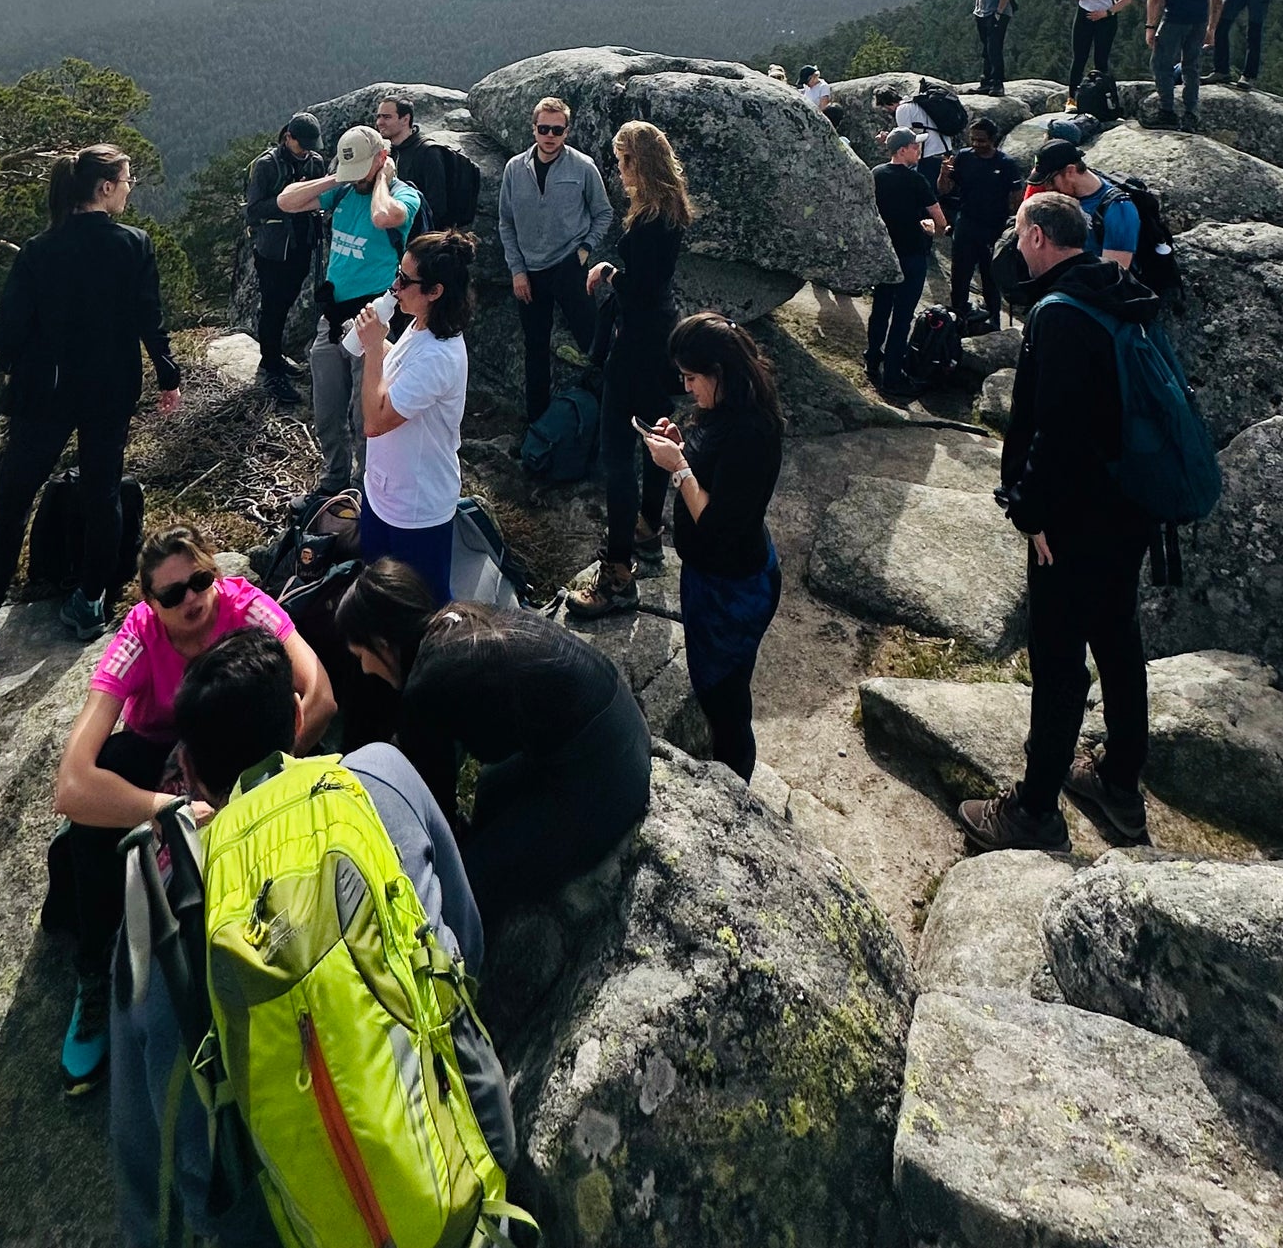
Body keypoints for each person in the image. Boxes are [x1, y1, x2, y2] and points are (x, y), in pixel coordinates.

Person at [111, 629, 514, 1247]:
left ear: (187, 772)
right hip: (466, 1153)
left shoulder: (171, 911)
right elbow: (468, 940)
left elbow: (159, 1132)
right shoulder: (378, 774)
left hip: (297, 1226)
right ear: (298, 717)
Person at [51, 524, 334, 1093]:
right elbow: (73, 784)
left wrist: (250, 786)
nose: (191, 600)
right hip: (159, 754)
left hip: (228, 755)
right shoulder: (137, 637)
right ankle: (94, 972)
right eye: (172, 594)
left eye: (200, 581)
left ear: (215, 575)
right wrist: (165, 806)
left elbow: (318, 696)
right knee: (103, 791)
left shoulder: (245, 607)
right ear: (148, 604)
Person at [0, 144, 182, 675]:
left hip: (44, 394)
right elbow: (148, 318)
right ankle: (89, 604)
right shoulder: (133, 245)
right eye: (127, 179)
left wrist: (21, 367)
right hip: (110, 391)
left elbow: (9, 335)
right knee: (103, 492)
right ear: (105, 188)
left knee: (11, 507)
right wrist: (167, 374)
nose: (131, 187)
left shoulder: (38, 251)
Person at [958, 190, 1159, 851]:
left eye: (1019, 233)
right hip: (1130, 503)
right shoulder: (1120, 290)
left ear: (1040, 237)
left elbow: (1057, 427)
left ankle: (1033, 810)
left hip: (1074, 519)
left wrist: (1031, 511)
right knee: (1118, 642)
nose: (1015, 246)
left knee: (1058, 660)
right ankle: (1119, 783)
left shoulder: (1060, 312)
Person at [336, 562, 652, 931]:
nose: (364, 670)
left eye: (361, 656)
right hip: (615, 723)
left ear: (382, 643)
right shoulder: (455, 618)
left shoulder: (425, 687)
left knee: (468, 887)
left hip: (608, 773)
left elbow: (434, 818)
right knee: (490, 799)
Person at [639, 313, 783, 779]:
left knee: (725, 697)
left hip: (734, 587)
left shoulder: (753, 431)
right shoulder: (724, 410)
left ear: (720, 372)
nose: (686, 388)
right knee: (712, 684)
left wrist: (678, 466)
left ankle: (734, 784)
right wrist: (684, 447)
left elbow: (719, 521)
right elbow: (712, 474)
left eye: (692, 377)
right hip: (710, 577)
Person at [565, 122, 693, 621]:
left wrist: (606, 272)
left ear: (638, 163)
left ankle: (618, 575)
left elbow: (636, 287)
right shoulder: (673, 208)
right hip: (663, 337)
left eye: (621, 163)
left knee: (617, 455)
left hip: (637, 344)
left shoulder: (647, 221)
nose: (619, 173)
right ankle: (648, 529)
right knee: (658, 433)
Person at [276, 124, 421, 497]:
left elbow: (383, 218)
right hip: (334, 315)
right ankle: (334, 476)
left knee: (363, 411)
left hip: (373, 317)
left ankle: (364, 485)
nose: (354, 180)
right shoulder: (341, 192)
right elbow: (285, 201)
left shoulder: (403, 195)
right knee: (326, 407)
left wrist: (381, 180)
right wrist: (335, 179)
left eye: (363, 171)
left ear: (383, 159)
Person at [353, 230, 475, 605]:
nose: (395, 286)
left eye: (406, 280)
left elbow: (374, 422)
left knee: (424, 605)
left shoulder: (441, 355)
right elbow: (400, 367)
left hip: (416, 507)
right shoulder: (421, 323)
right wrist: (376, 340)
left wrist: (373, 349)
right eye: (397, 273)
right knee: (377, 594)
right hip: (384, 491)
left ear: (435, 291)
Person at [497, 96, 612, 425]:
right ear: (533, 129)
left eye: (557, 129)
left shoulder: (583, 167)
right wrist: (517, 270)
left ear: (567, 131)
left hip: (568, 266)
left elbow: (603, 213)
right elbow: (506, 222)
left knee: (593, 343)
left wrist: (584, 251)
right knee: (535, 349)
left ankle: (612, 414)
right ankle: (538, 425)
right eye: (544, 128)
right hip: (529, 274)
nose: (550, 135)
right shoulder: (515, 169)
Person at [243, 113, 325, 397]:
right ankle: (271, 366)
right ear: (288, 138)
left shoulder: (315, 162)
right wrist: (290, 203)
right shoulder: (267, 165)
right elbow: (253, 210)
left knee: (286, 303)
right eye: (302, 144)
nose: (307, 150)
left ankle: (275, 358)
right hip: (274, 251)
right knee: (273, 307)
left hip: (301, 245)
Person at [865, 130, 948, 393]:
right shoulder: (916, 180)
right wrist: (928, 228)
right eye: (915, 146)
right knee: (902, 316)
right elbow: (940, 221)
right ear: (902, 150)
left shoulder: (876, 174)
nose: (919, 151)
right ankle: (892, 376)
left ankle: (872, 359)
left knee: (880, 307)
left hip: (885, 251)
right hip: (911, 253)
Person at [938, 118, 1019, 332]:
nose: (976, 144)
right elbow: (944, 190)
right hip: (966, 222)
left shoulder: (1006, 163)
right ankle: (958, 317)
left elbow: (1017, 196)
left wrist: (1014, 223)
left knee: (990, 274)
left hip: (994, 226)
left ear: (992, 139)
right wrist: (943, 174)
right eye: (973, 139)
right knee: (960, 273)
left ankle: (993, 319)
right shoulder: (963, 157)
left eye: (981, 140)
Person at [1145, 0, 1222, 130]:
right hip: (1199, 20)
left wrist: (1151, 26)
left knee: (1161, 64)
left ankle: (1167, 112)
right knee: (1191, 66)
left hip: (1174, 18)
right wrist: (1212, 28)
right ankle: (1191, 115)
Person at [1026, 139, 1138, 274]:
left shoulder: (1118, 208)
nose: (1048, 188)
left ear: (1070, 171)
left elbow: (1114, 275)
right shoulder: (1066, 196)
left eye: (1051, 181)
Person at [1064, 0, 1133, 108]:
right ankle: (1072, 98)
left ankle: (1102, 99)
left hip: (1106, 18)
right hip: (1084, 14)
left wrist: (1107, 13)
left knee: (1101, 59)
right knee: (1079, 57)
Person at [373, 92, 448, 226]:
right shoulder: (390, 152)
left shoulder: (428, 153)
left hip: (417, 235)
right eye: (378, 117)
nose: (379, 122)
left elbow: (436, 205)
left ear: (405, 119)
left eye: (387, 117)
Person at [967, 0, 1014, 94]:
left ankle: (997, 84)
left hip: (997, 13)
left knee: (994, 48)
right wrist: (977, 9)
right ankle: (986, 82)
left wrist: (999, 13)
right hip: (981, 12)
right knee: (986, 50)